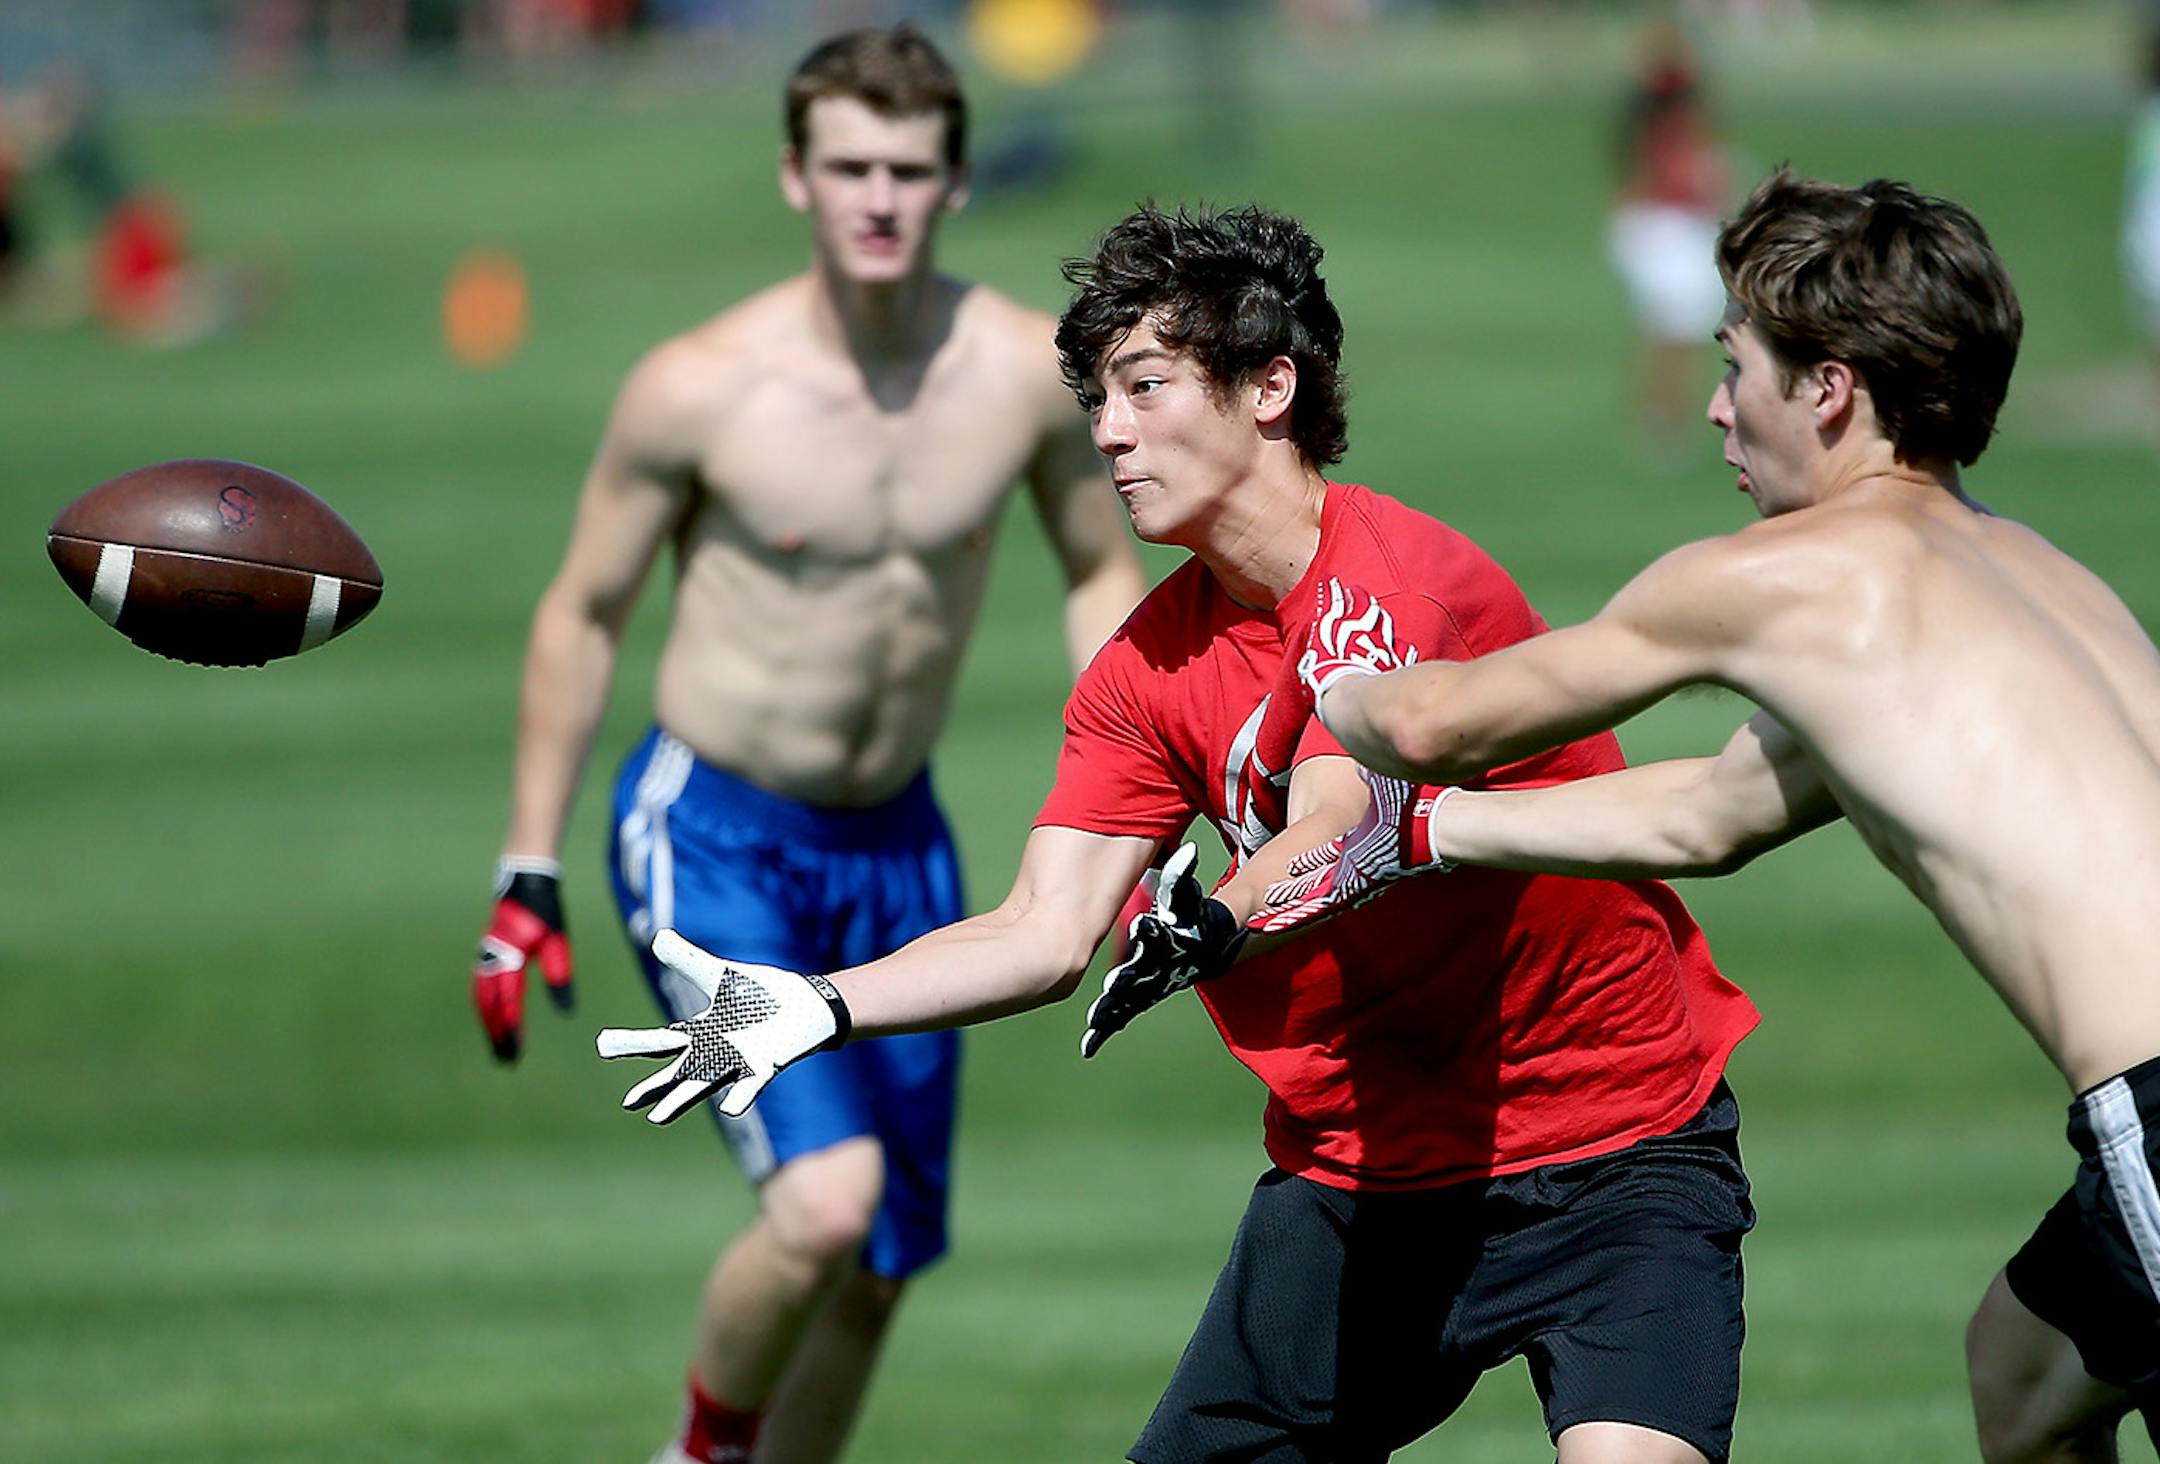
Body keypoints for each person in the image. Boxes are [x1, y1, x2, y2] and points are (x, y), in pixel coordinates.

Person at [600, 202, 1766, 1464]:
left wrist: (1216, 920)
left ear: (1271, 387)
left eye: (1144, 387)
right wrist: (816, 1007)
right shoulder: (1144, 669)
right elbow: (1043, 930)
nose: (1107, 432)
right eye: (1098, 397)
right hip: (1360, 1176)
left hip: (1621, 1150)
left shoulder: (1400, 586)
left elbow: (1342, 813)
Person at [1271, 170, 2160, 1460]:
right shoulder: (2035, 572)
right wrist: (1428, 836)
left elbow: (1431, 723)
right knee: (2021, 1374)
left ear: (1830, 391)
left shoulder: (1789, 577)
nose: (1715, 406)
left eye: (1735, 363)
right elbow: (1715, 812)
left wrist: (1328, 645)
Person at [469, 25, 1146, 1464]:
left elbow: (1102, 574)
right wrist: (527, 864)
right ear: (796, 178)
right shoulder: (701, 388)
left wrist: (1129, 816)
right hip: (714, 834)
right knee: (825, 1204)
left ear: (958, 181)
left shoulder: (1029, 373)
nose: (879, 198)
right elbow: (582, 614)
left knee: (881, 1263)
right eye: (849, 167)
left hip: (899, 841)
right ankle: (700, 1453)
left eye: (909, 168)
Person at [1609, 22, 1732, 450]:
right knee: (1673, 329)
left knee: (1677, 329)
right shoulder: (1666, 110)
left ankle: (1667, 417)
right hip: (1667, 224)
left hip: (1662, 224)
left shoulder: (1660, 107)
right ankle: (1664, 419)